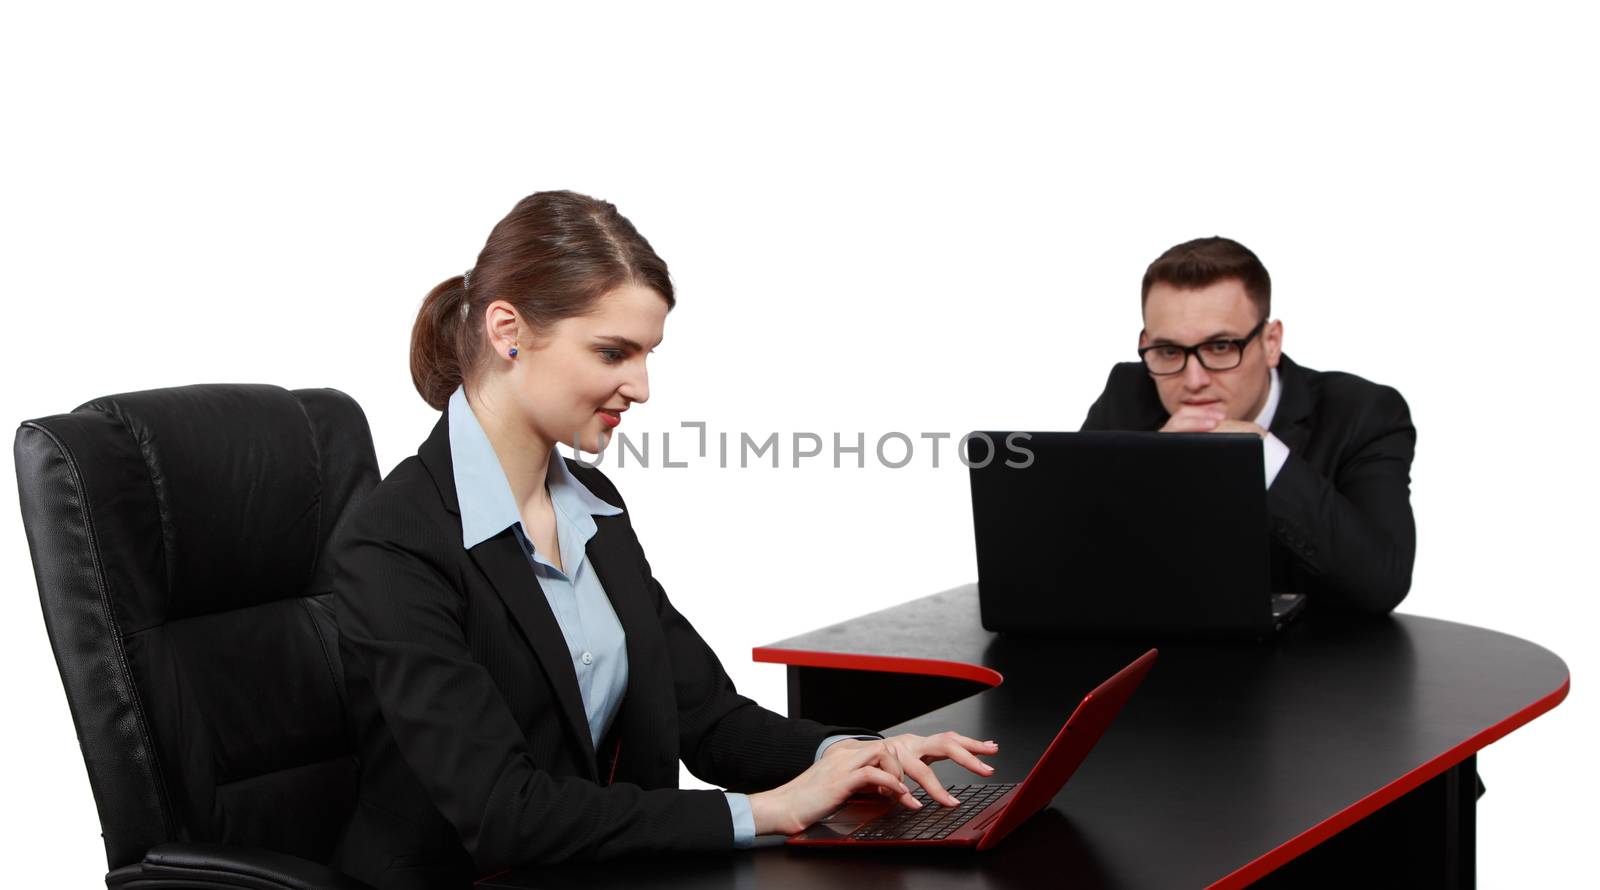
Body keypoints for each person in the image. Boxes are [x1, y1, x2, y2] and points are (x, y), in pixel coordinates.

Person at [329, 191, 999, 889]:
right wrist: (767, 810)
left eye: (646, 354)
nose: (641, 387)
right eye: (613, 352)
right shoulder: (395, 544)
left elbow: (705, 717)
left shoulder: (594, 510)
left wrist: (864, 753)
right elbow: (505, 813)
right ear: (508, 331)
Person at [1080, 236, 1416, 614]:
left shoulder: (1362, 413)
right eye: (1169, 350)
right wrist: (1152, 470)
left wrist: (1265, 456)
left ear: (1271, 342)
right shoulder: (1128, 396)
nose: (1194, 380)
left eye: (1221, 347)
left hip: (1315, 664)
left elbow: (1382, 582)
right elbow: (1064, 554)